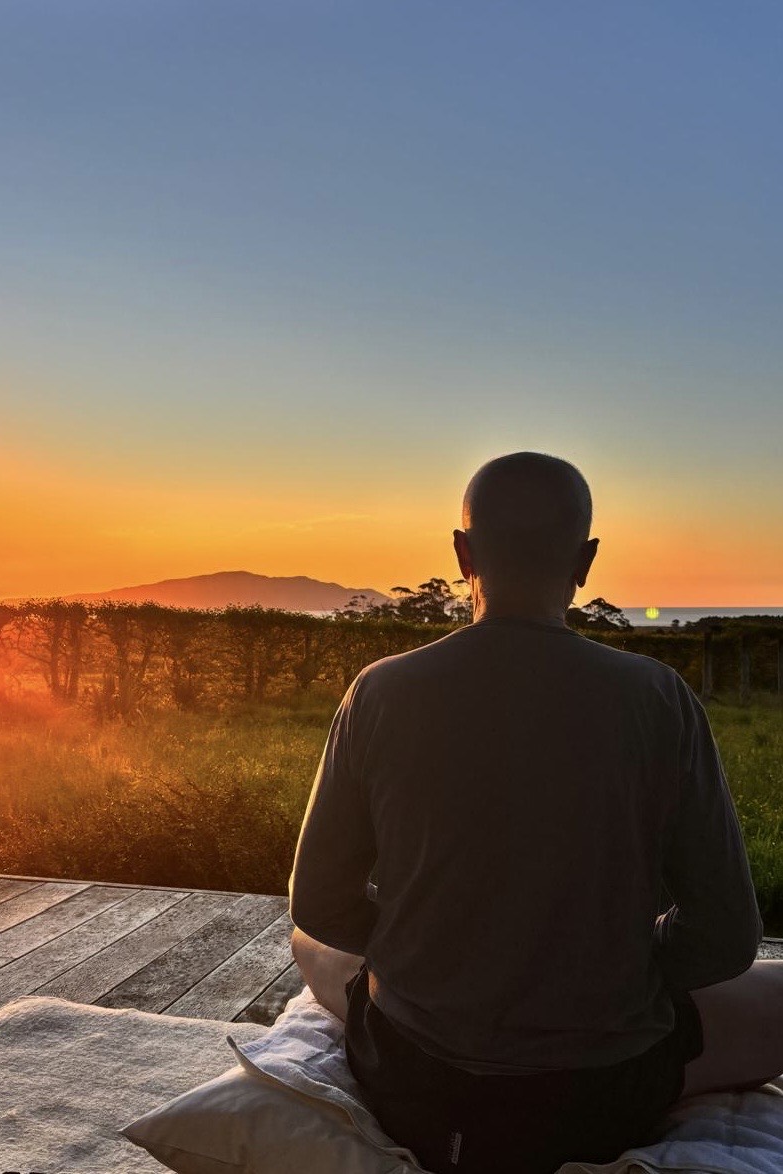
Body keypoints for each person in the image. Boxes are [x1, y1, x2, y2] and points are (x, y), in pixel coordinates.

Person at [288, 452, 772, 1174]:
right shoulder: (655, 696)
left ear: (461, 554)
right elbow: (728, 935)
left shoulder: (381, 691)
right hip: (597, 1095)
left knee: (306, 942)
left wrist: (429, 957)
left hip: (414, 1083)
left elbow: (320, 903)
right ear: (584, 560)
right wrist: (623, 969)